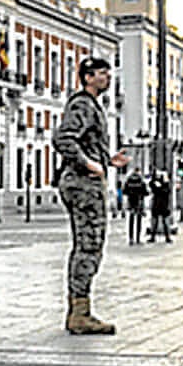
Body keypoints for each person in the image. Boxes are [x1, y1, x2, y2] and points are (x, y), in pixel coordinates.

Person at [53, 55, 129, 333]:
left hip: (85, 180)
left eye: (108, 73)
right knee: (89, 245)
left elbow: (82, 141)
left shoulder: (91, 105)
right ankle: (79, 314)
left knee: (89, 245)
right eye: (101, 74)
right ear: (87, 77)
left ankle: (80, 309)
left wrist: (107, 160)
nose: (107, 78)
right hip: (83, 184)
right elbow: (63, 138)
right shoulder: (83, 105)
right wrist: (89, 164)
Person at [122, 168, 148, 245]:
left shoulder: (128, 180)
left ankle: (131, 238)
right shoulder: (141, 180)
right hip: (139, 202)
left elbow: (124, 191)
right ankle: (138, 238)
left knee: (131, 220)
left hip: (131, 202)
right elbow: (146, 192)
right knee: (139, 221)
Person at [148, 171, 175, 243]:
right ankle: (154, 237)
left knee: (164, 222)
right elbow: (151, 184)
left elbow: (165, 191)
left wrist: (158, 185)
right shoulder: (157, 184)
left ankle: (167, 237)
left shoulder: (165, 186)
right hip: (159, 205)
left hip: (162, 205)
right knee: (156, 222)